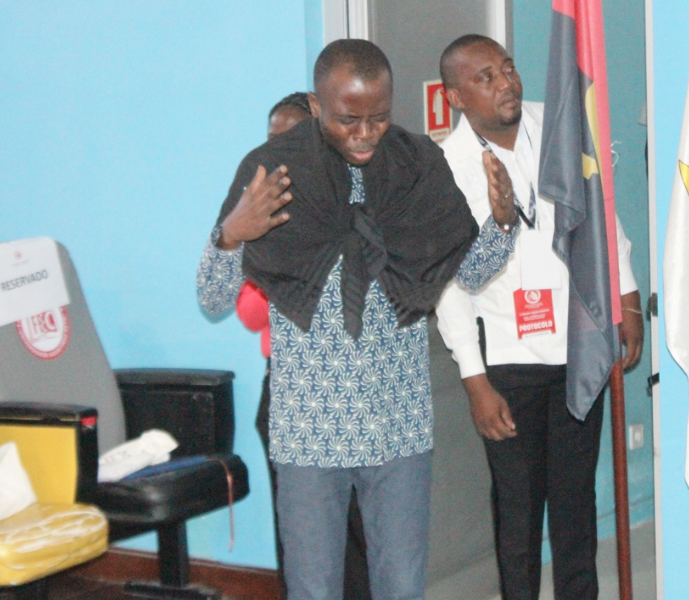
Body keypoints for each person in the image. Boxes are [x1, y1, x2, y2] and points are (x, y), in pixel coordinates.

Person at [197, 38, 519, 600]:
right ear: (316, 106)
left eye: (379, 117)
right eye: (349, 120)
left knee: (402, 587)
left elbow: (468, 273)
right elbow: (212, 297)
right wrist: (230, 236)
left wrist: (503, 222)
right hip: (309, 429)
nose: (366, 133)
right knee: (314, 589)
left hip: (399, 423)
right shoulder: (272, 172)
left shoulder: (417, 165)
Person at [435, 34, 644, 600]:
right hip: (507, 360)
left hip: (578, 342)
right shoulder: (445, 167)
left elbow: (600, 210)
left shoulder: (556, 123)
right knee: (519, 508)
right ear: (455, 96)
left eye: (507, 68)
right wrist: (475, 381)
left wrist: (625, 292)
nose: (505, 82)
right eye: (485, 77)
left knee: (576, 500)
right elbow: (449, 287)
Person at [236, 90, 372, 600]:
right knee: (299, 533)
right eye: (271, 140)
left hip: (352, 391)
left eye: (291, 138)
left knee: (360, 530)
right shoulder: (260, 217)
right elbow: (250, 314)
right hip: (286, 395)